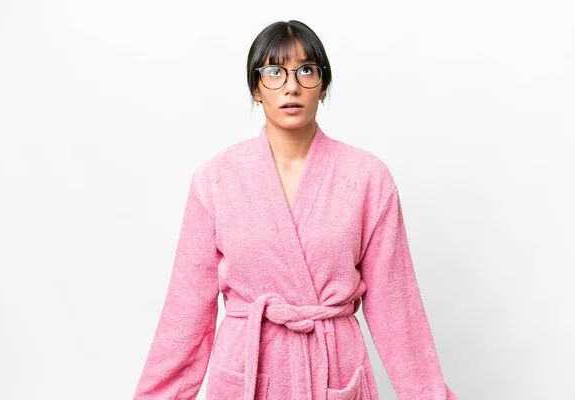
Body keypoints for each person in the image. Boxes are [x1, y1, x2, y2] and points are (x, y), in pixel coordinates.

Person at [133, 20, 458, 400]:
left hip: (332, 369)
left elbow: (396, 310)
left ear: (323, 87)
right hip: (246, 373)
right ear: (256, 89)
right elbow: (186, 311)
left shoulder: (367, 178)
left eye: (306, 70)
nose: (291, 85)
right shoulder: (216, 181)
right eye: (274, 72)